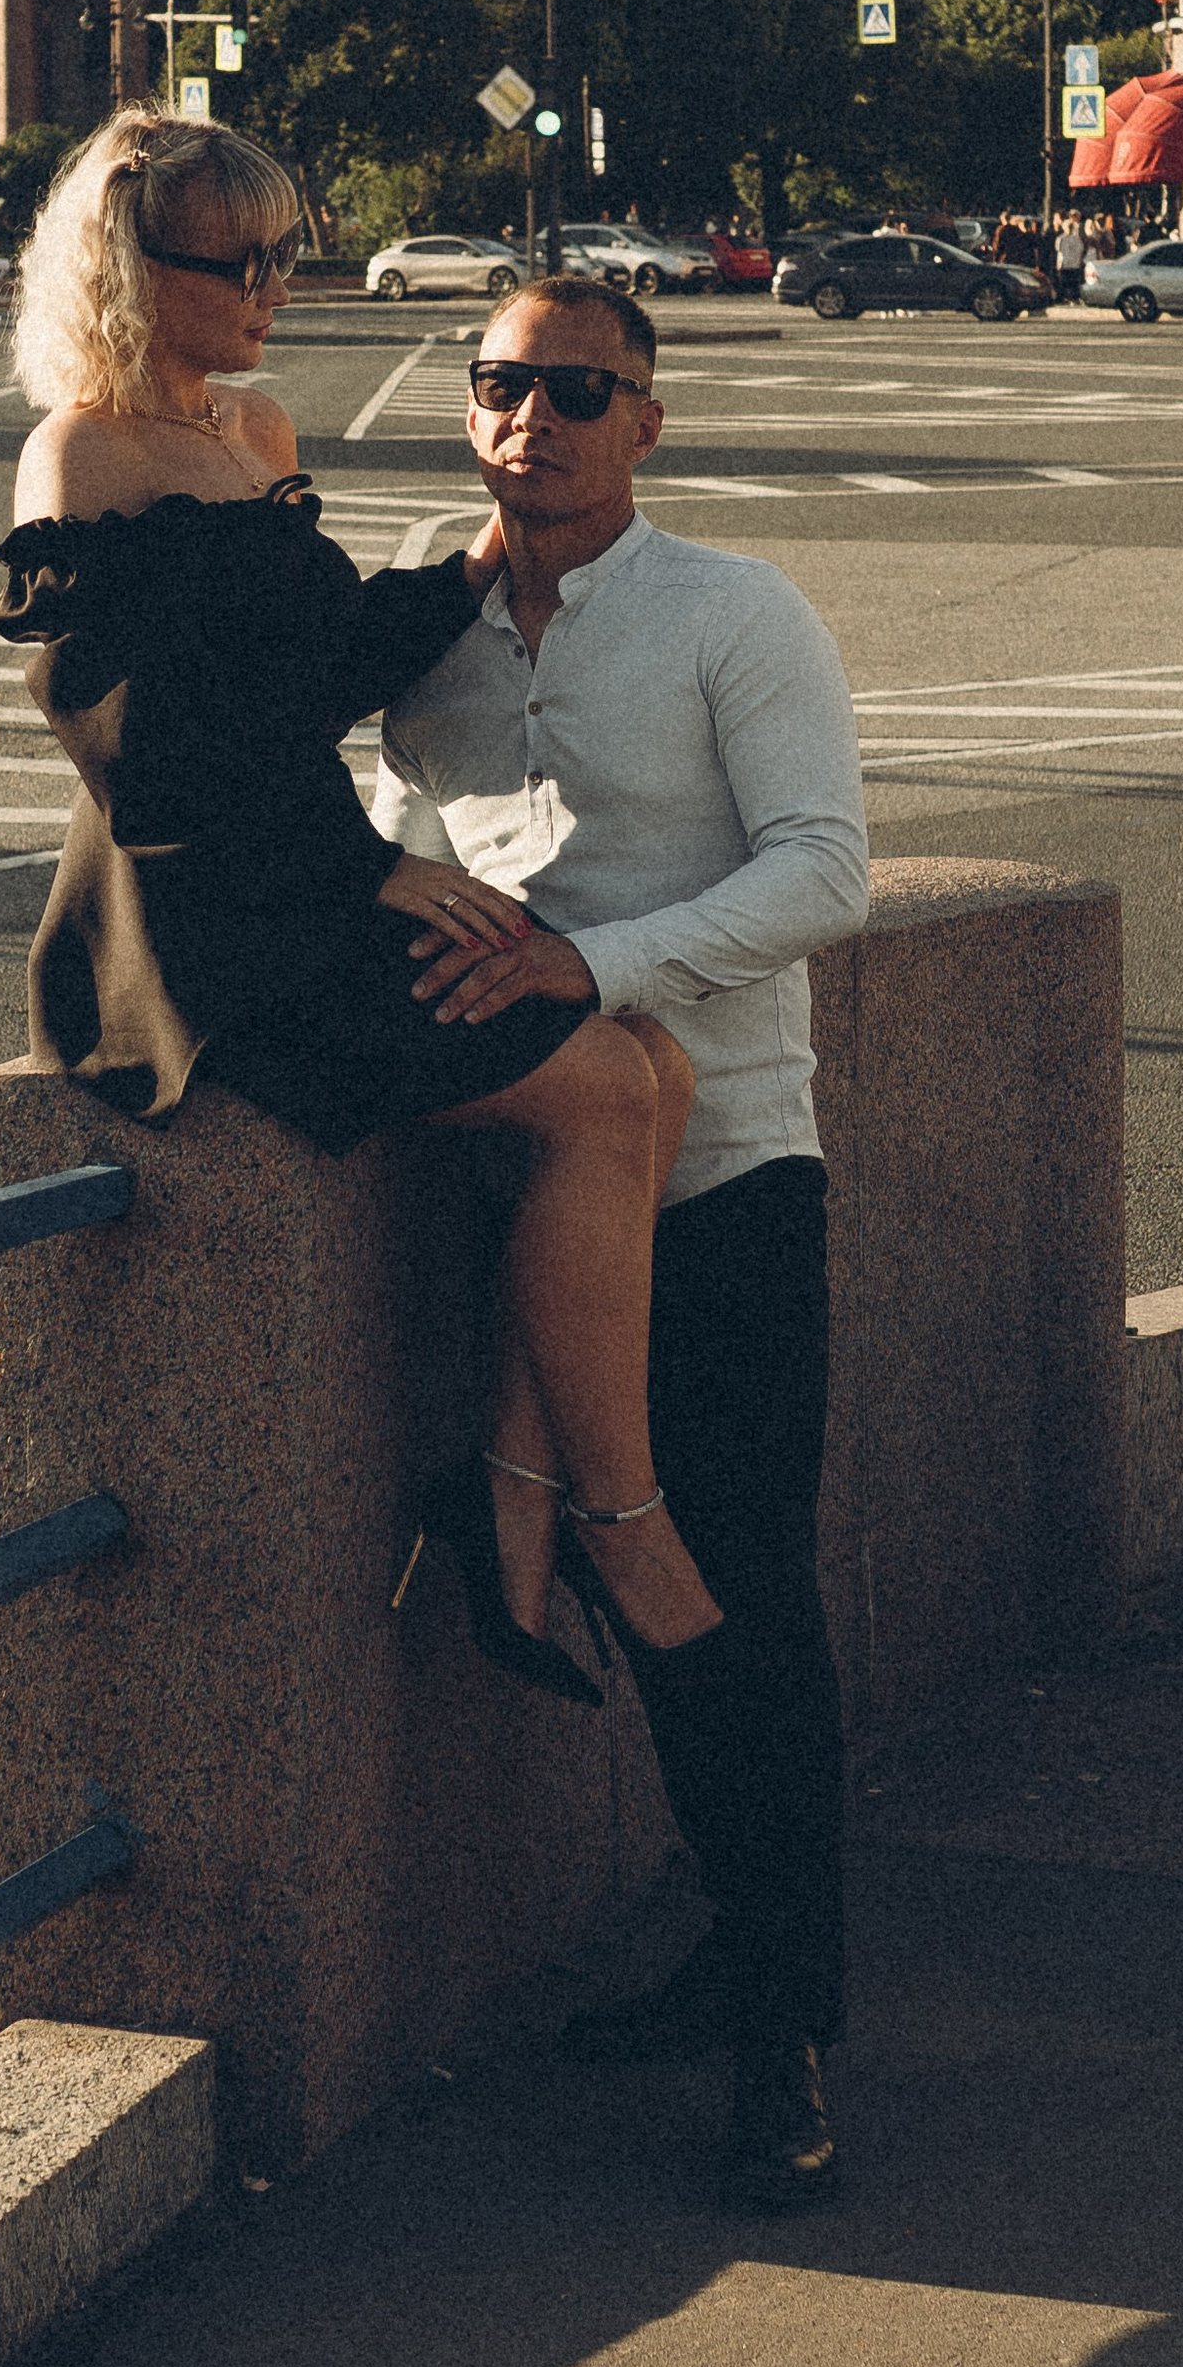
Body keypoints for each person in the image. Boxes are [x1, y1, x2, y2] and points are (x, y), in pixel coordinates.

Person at [0, 109, 721, 1701]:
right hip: (192, 929)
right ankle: (617, 1518)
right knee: (605, 1088)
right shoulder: (83, 455)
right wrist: (377, 869)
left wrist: (494, 547)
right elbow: (141, 754)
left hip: (303, 887)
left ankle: (513, 1493)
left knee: (655, 1069)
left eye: (283, 254)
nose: (275, 288)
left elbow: (315, 668)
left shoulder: (254, 432)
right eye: (239, 263)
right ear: (131, 269)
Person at [372, 273, 871, 2212]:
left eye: (581, 390)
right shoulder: (426, 636)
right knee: (635, 1587)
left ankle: (787, 2033)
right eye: (504, 383)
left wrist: (595, 967)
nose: (538, 418)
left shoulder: (733, 613)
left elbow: (824, 870)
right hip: (522, 1194)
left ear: (646, 420)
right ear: (467, 409)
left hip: (728, 1174)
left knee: (740, 1604)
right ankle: (738, 1948)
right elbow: (396, 836)